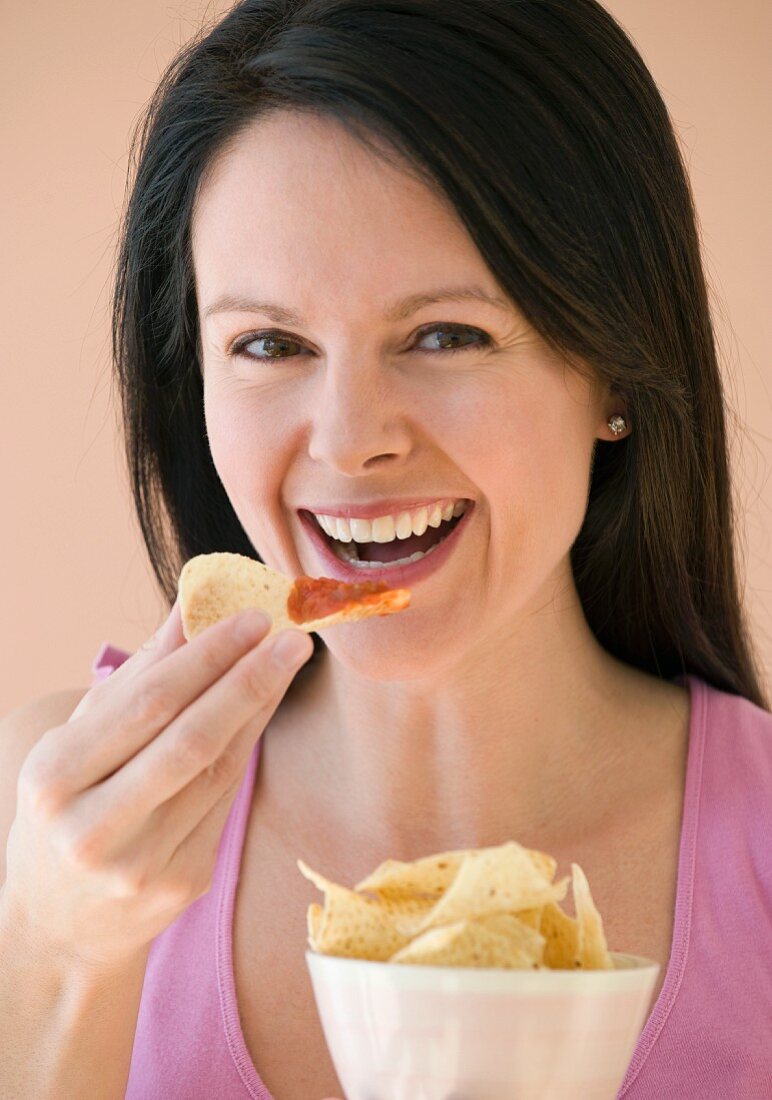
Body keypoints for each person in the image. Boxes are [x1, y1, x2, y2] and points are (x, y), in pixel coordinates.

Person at [1, 1, 769, 1098]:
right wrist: (57, 959)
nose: (353, 437)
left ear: (615, 373)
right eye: (268, 343)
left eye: (445, 335)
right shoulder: (39, 815)